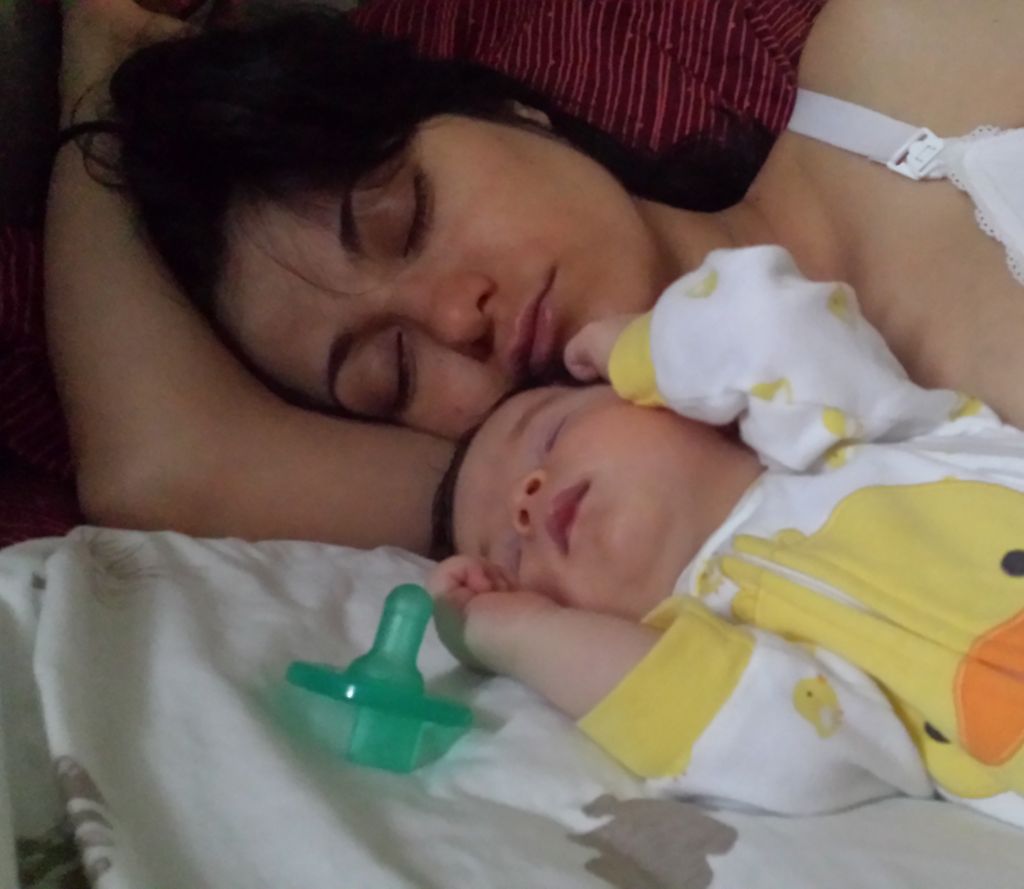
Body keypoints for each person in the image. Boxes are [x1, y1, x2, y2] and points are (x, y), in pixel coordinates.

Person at [47, 0, 1024, 554]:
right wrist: (102, 54)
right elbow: (162, 470)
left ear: (514, 111)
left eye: (406, 218)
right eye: (390, 373)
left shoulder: (903, 47)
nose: (452, 318)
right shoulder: (641, 498)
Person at [428, 245, 1024, 828]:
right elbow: (770, 750)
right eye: (510, 553)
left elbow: (772, 322)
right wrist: (522, 634)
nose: (525, 499)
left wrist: (638, 348)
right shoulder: (745, 659)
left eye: (550, 436)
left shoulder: (835, 433)